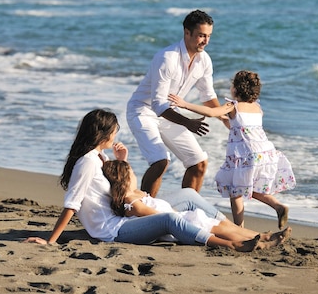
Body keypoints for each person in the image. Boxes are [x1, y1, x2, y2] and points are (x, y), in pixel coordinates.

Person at [24, 108, 289, 251]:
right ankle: (233, 243)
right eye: (114, 132)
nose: (116, 136)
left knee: (188, 195)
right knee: (169, 219)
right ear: (101, 134)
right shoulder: (87, 162)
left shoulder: (99, 157)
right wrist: (51, 240)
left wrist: (123, 161)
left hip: (125, 215)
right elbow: (72, 204)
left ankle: (249, 234)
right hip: (114, 230)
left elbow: (120, 187)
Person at [168, 70, 296, 229]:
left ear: (236, 88)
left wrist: (184, 104)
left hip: (246, 155)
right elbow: (240, 127)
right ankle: (278, 206)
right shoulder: (257, 108)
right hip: (264, 152)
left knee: (235, 193)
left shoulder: (232, 105)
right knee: (248, 188)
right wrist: (225, 120)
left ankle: (239, 228)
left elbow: (211, 112)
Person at [126, 9, 227, 197]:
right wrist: (188, 123)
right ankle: (144, 211)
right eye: (201, 36)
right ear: (186, 32)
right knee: (160, 161)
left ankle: (187, 213)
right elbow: (158, 104)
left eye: (208, 36)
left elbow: (207, 95)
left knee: (198, 163)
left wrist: (224, 117)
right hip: (143, 111)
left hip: (169, 114)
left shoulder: (204, 60)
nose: (206, 41)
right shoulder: (167, 58)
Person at [102, 159, 290, 251]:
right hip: (179, 221)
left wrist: (121, 157)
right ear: (126, 180)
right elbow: (158, 216)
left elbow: (125, 181)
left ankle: (263, 236)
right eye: (132, 174)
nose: (135, 176)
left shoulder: (132, 194)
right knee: (221, 229)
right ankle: (253, 243)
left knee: (222, 225)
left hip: (181, 216)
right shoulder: (132, 203)